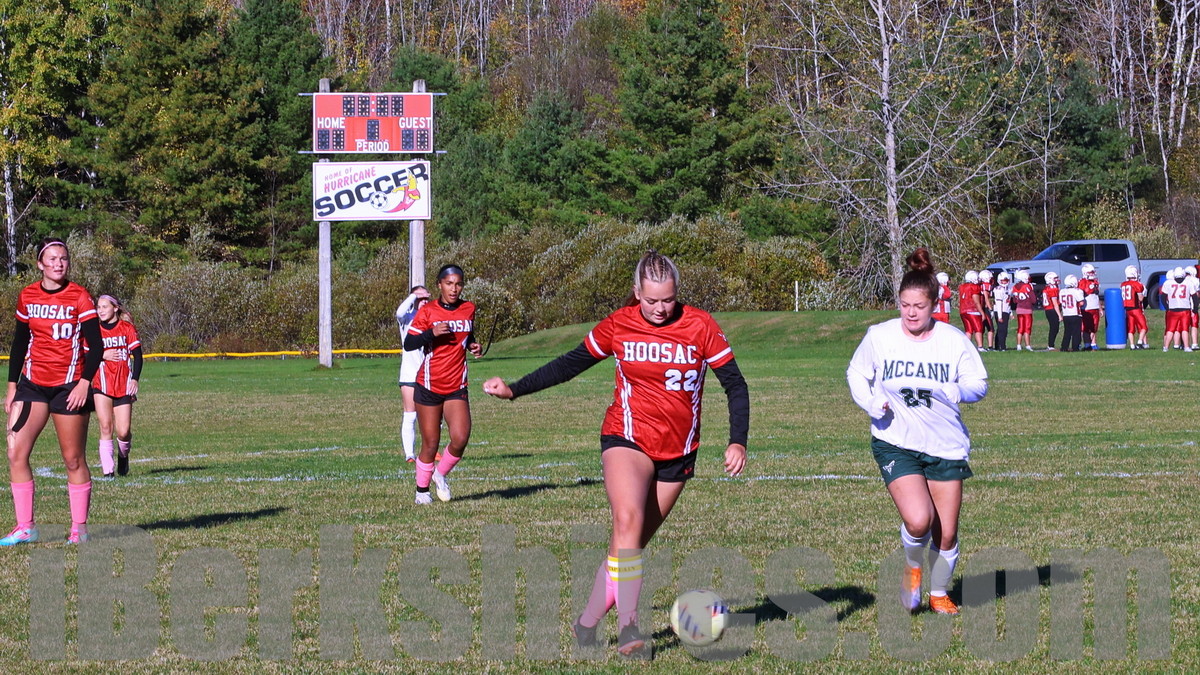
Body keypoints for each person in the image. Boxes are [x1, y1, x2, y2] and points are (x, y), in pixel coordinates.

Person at [483, 251, 749, 655]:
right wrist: (515, 389)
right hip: (626, 438)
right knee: (627, 520)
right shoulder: (619, 324)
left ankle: (586, 624)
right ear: (636, 292)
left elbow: (735, 384)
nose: (660, 308)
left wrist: (737, 440)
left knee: (629, 544)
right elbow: (570, 364)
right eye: (651, 300)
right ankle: (629, 629)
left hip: (678, 452)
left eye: (668, 299)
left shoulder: (700, 325)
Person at [847, 248, 987, 616]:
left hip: (945, 445)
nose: (910, 313)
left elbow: (979, 384)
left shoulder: (952, 340)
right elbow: (856, 373)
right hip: (895, 441)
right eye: (905, 305)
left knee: (946, 532)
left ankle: (939, 593)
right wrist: (870, 402)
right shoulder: (880, 336)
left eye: (919, 306)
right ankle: (912, 568)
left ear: (934, 305)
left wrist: (958, 390)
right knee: (919, 519)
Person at [2, 238, 104, 545]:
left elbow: (96, 345)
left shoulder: (80, 296)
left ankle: (79, 530)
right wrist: (12, 386)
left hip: (69, 386)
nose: (59, 263)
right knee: (15, 452)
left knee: (73, 459)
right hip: (32, 385)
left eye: (63, 258)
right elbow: (20, 343)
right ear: (40, 264)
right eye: (52, 258)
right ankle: (26, 527)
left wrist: (84, 383)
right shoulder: (28, 295)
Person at [403, 265, 481, 504]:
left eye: (458, 284)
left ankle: (440, 474)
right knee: (430, 443)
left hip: (456, 385)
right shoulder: (428, 311)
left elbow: (466, 335)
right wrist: (432, 333)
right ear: (439, 285)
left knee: (460, 438)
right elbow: (409, 343)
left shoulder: (469, 309)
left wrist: (472, 345)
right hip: (429, 385)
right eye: (449, 284)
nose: (454, 289)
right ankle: (422, 491)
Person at [91, 294, 143, 477]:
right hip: (102, 384)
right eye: (98, 307)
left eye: (104, 307)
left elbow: (138, 356)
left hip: (123, 384)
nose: (100, 310)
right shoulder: (94, 330)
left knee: (123, 431)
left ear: (115, 308)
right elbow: (84, 355)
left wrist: (134, 379)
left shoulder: (127, 328)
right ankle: (108, 472)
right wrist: (102, 355)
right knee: (106, 426)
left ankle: (123, 455)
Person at [395, 285, 432, 462]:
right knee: (411, 414)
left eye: (426, 299)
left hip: (428, 373)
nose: (423, 301)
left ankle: (431, 450)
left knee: (433, 415)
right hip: (409, 374)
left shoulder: (431, 318)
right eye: (420, 299)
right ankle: (410, 454)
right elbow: (399, 312)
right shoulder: (407, 318)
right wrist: (413, 296)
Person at [1160, 267, 1191, 352]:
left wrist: (1167, 307)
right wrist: (1195, 308)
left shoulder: (1168, 283)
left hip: (1172, 309)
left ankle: (1166, 347)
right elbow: (1194, 296)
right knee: (1185, 329)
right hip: (1185, 309)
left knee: (1170, 329)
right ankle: (1186, 347)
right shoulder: (1188, 282)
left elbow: (1163, 297)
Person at [1119, 267, 1148, 350]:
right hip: (1135, 309)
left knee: (1131, 329)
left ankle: (1132, 345)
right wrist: (1142, 294)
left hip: (1127, 309)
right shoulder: (1136, 284)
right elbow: (1140, 299)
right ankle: (1139, 343)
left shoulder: (1123, 284)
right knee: (1144, 327)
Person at [957, 271, 985, 351]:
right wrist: (982, 313)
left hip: (963, 310)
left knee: (968, 330)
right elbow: (976, 302)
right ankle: (980, 347)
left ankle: (967, 347)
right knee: (978, 328)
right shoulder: (974, 287)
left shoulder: (962, 286)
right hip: (972, 310)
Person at [1011, 271, 1036, 351]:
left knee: (1020, 328)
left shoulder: (1015, 286)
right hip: (1027, 309)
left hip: (1019, 309)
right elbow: (1033, 300)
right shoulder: (1027, 286)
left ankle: (1018, 345)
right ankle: (1027, 345)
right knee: (1027, 328)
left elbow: (1014, 300)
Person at [1078, 264, 1101, 350]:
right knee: (1086, 328)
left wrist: (1100, 308)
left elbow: (1096, 296)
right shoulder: (1082, 282)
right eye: (1090, 272)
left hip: (1095, 307)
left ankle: (1093, 343)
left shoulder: (1095, 281)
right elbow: (1080, 295)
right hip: (1086, 308)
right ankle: (1087, 344)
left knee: (1094, 327)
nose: (1092, 274)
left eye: (1093, 272)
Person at [1059, 275, 1085, 352]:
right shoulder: (1077, 291)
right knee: (1076, 332)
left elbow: (1061, 302)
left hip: (1066, 314)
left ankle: (1064, 347)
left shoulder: (1062, 291)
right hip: (1075, 314)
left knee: (1067, 332)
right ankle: (1075, 347)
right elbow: (1081, 303)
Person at [991, 272, 1012, 351]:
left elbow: (1008, 302)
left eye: (1006, 280)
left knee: (1003, 330)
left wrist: (1010, 312)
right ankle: (1001, 347)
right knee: (1002, 330)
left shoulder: (1008, 289)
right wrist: (1000, 316)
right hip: (1000, 311)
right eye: (1003, 280)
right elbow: (999, 303)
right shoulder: (998, 290)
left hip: (1005, 311)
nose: (1004, 282)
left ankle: (998, 346)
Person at [1042, 272, 1062, 351]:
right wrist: (1059, 315)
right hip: (1052, 309)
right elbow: (1055, 303)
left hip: (1048, 310)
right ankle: (1051, 345)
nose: (1057, 280)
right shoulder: (1052, 288)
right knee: (1054, 328)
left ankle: (1051, 345)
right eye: (1055, 278)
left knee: (1054, 328)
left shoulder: (1047, 288)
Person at [978, 270, 994, 349]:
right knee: (990, 328)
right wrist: (990, 309)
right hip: (984, 308)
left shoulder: (980, 285)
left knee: (981, 329)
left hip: (979, 308)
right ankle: (990, 347)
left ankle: (981, 346)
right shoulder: (985, 285)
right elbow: (986, 298)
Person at [1186, 266, 1200, 350]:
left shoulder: (1182, 280)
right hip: (1192, 305)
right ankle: (1194, 343)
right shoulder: (1195, 280)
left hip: (1182, 306)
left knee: (1184, 327)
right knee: (1194, 325)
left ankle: (1184, 344)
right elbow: (1197, 294)